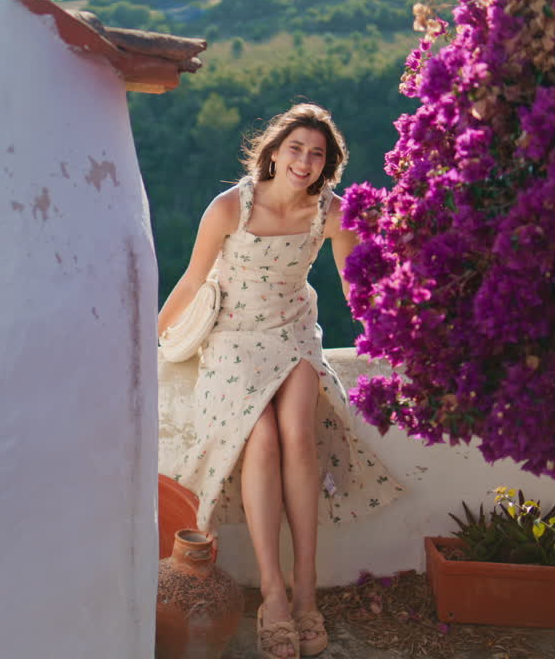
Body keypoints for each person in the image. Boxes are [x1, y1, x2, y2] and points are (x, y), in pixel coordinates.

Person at [157, 104, 403, 658]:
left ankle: (306, 591)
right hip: (232, 337)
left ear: (327, 165)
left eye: (317, 154)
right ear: (273, 152)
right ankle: (273, 594)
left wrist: (398, 336)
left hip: (291, 331)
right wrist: (148, 339)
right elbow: (194, 280)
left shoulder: (331, 214)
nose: (305, 161)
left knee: (297, 429)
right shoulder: (229, 207)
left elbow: (356, 290)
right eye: (296, 148)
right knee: (261, 438)